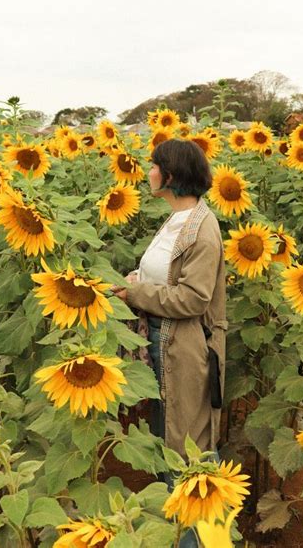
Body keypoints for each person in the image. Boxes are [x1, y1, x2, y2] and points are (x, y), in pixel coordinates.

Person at [111, 139, 227, 460]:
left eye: (154, 166)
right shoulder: (178, 220)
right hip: (160, 337)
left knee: (185, 442)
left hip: (181, 345)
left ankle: (191, 505)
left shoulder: (201, 231)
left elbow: (192, 299)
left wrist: (135, 292)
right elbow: (164, 270)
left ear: (171, 176)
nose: (148, 173)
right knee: (165, 430)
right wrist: (137, 278)